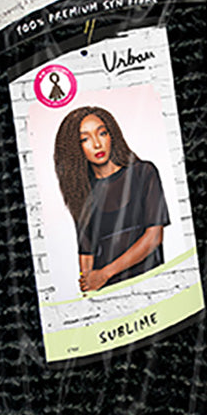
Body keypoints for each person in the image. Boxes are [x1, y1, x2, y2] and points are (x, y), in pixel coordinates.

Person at [53, 105, 170, 292]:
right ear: (75, 148)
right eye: (85, 139)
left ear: (112, 135)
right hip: (109, 291)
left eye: (102, 133)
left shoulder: (143, 173)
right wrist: (89, 290)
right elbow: (86, 253)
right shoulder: (81, 193)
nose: (97, 144)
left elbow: (154, 237)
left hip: (150, 282)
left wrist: (105, 273)